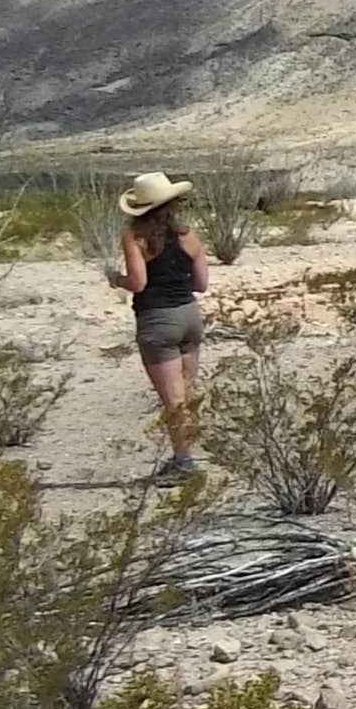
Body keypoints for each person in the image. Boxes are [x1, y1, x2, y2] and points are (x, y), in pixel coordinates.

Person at [117, 171, 210, 480]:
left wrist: (115, 279)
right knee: (187, 390)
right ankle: (184, 454)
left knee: (173, 400)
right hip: (189, 315)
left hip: (158, 319)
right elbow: (201, 283)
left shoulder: (136, 238)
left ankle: (183, 461)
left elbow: (138, 282)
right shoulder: (188, 235)